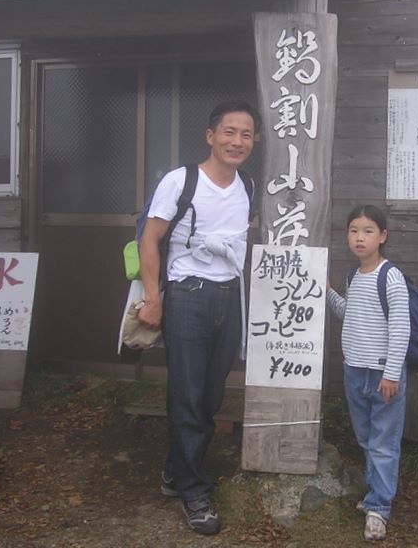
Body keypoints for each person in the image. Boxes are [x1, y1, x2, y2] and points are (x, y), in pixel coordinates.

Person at [138, 100, 259, 536]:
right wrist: (154, 298)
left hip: (229, 298)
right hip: (188, 295)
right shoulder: (181, 180)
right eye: (229, 132)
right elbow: (150, 240)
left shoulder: (247, 184)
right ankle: (194, 490)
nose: (237, 141)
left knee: (209, 395)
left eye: (246, 134)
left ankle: (176, 467)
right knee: (188, 394)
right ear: (211, 136)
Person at [326, 204, 410, 542]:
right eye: (354, 231)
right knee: (367, 439)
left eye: (368, 231)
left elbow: (401, 328)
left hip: (383, 375)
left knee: (384, 444)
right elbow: (350, 313)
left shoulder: (390, 276)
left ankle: (379, 509)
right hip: (354, 371)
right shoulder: (352, 275)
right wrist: (328, 292)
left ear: (383, 236)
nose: (360, 237)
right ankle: (377, 494)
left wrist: (391, 375)